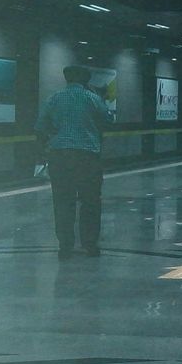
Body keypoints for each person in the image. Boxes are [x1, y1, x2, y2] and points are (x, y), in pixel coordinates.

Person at [35, 65, 114, 257]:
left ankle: (65, 245)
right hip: (87, 157)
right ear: (86, 80)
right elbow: (107, 120)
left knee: (62, 202)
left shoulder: (54, 99)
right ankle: (90, 244)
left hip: (60, 156)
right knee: (91, 202)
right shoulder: (92, 98)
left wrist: (46, 149)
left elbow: (40, 126)